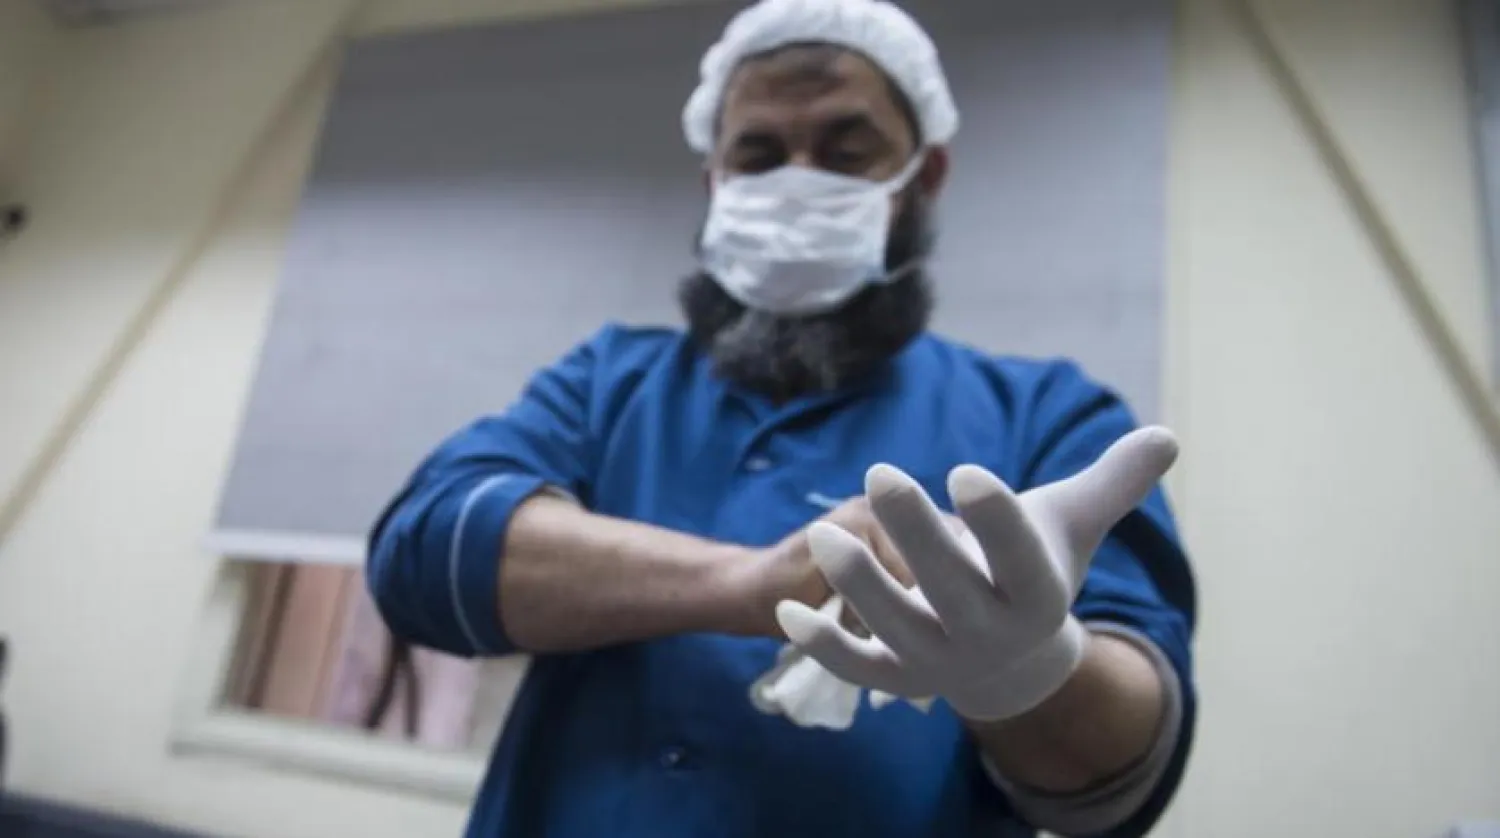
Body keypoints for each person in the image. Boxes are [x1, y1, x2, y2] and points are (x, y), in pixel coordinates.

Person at [367, 1, 1196, 835]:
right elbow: (424, 551)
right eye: (759, 155)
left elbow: (1126, 765)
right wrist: (755, 584)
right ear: (715, 182)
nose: (798, 180)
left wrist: (1026, 669)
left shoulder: (1045, 416)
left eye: (846, 151)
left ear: (924, 177)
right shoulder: (609, 380)